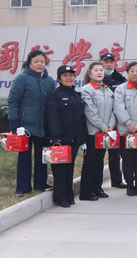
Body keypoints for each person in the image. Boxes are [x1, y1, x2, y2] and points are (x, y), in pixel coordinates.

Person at [7, 49, 55, 196]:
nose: (40, 64)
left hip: (43, 126)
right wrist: (13, 120)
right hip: (25, 126)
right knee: (24, 157)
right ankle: (22, 187)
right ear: (29, 63)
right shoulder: (22, 79)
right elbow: (13, 100)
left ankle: (41, 184)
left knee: (43, 156)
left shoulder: (49, 81)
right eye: (36, 61)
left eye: (42, 61)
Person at [45, 64, 85, 208]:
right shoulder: (55, 95)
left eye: (71, 75)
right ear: (59, 79)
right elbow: (53, 117)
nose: (69, 78)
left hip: (74, 139)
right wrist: (55, 138)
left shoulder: (77, 95)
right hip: (60, 139)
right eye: (65, 76)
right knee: (59, 169)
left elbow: (80, 118)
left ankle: (69, 195)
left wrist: (82, 138)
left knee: (70, 167)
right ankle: (61, 197)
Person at [113, 61, 137, 196]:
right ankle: (129, 184)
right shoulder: (120, 89)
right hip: (126, 131)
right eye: (132, 71)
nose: (135, 73)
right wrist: (129, 123)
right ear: (127, 73)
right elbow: (119, 108)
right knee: (128, 159)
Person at [79, 61, 116, 201]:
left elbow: (114, 110)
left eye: (101, 70)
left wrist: (111, 125)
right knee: (90, 161)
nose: (99, 72)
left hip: (105, 133)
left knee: (100, 161)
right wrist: (103, 126)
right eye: (96, 70)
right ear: (90, 74)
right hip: (92, 133)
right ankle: (86, 192)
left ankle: (97, 188)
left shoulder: (108, 90)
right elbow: (90, 112)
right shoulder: (86, 90)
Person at [101, 52, 127, 189]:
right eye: (106, 62)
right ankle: (97, 183)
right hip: (100, 122)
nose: (109, 64)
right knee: (98, 154)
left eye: (111, 62)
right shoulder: (96, 78)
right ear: (101, 63)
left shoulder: (121, 80)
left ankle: (116, 180)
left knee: (115, 153)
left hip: (116, 122)